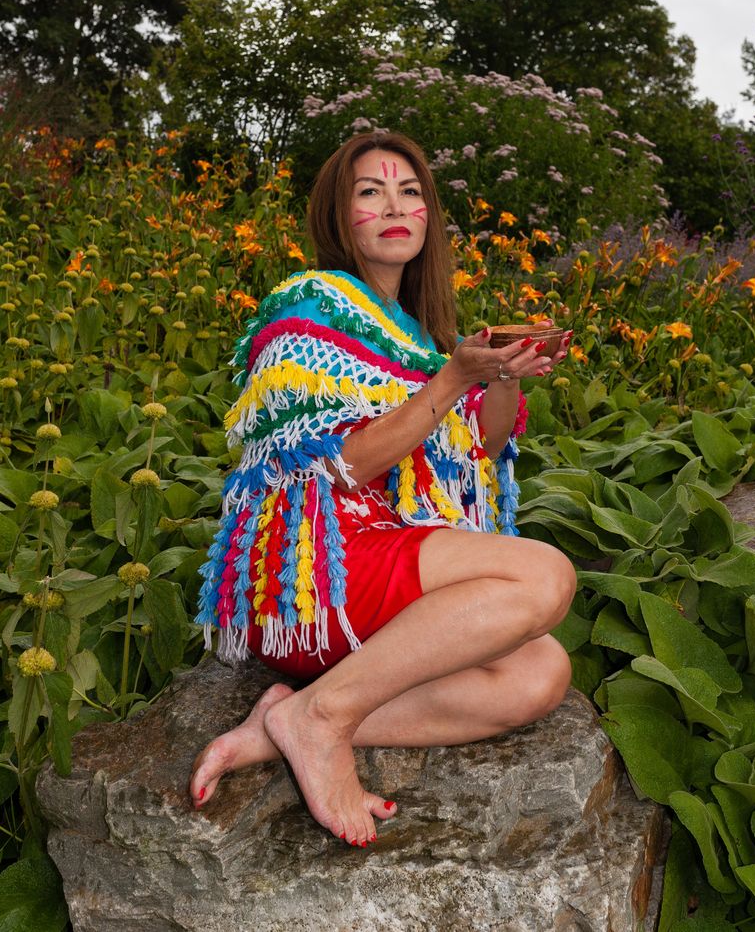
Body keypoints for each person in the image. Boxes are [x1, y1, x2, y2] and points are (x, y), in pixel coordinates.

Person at [190, 131, 576, 848]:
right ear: (339, 215)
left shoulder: (419, 341)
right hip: (312, 568)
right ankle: (324, 718)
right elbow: (339, 468)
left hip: (375, 566)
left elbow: (480, 452)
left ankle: (287, 722)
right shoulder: (309, 304)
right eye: (371, 192)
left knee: (539, 672)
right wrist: (453, 378)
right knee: (545, 576)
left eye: (410, 192)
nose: (395, 206)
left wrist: (499, 375)